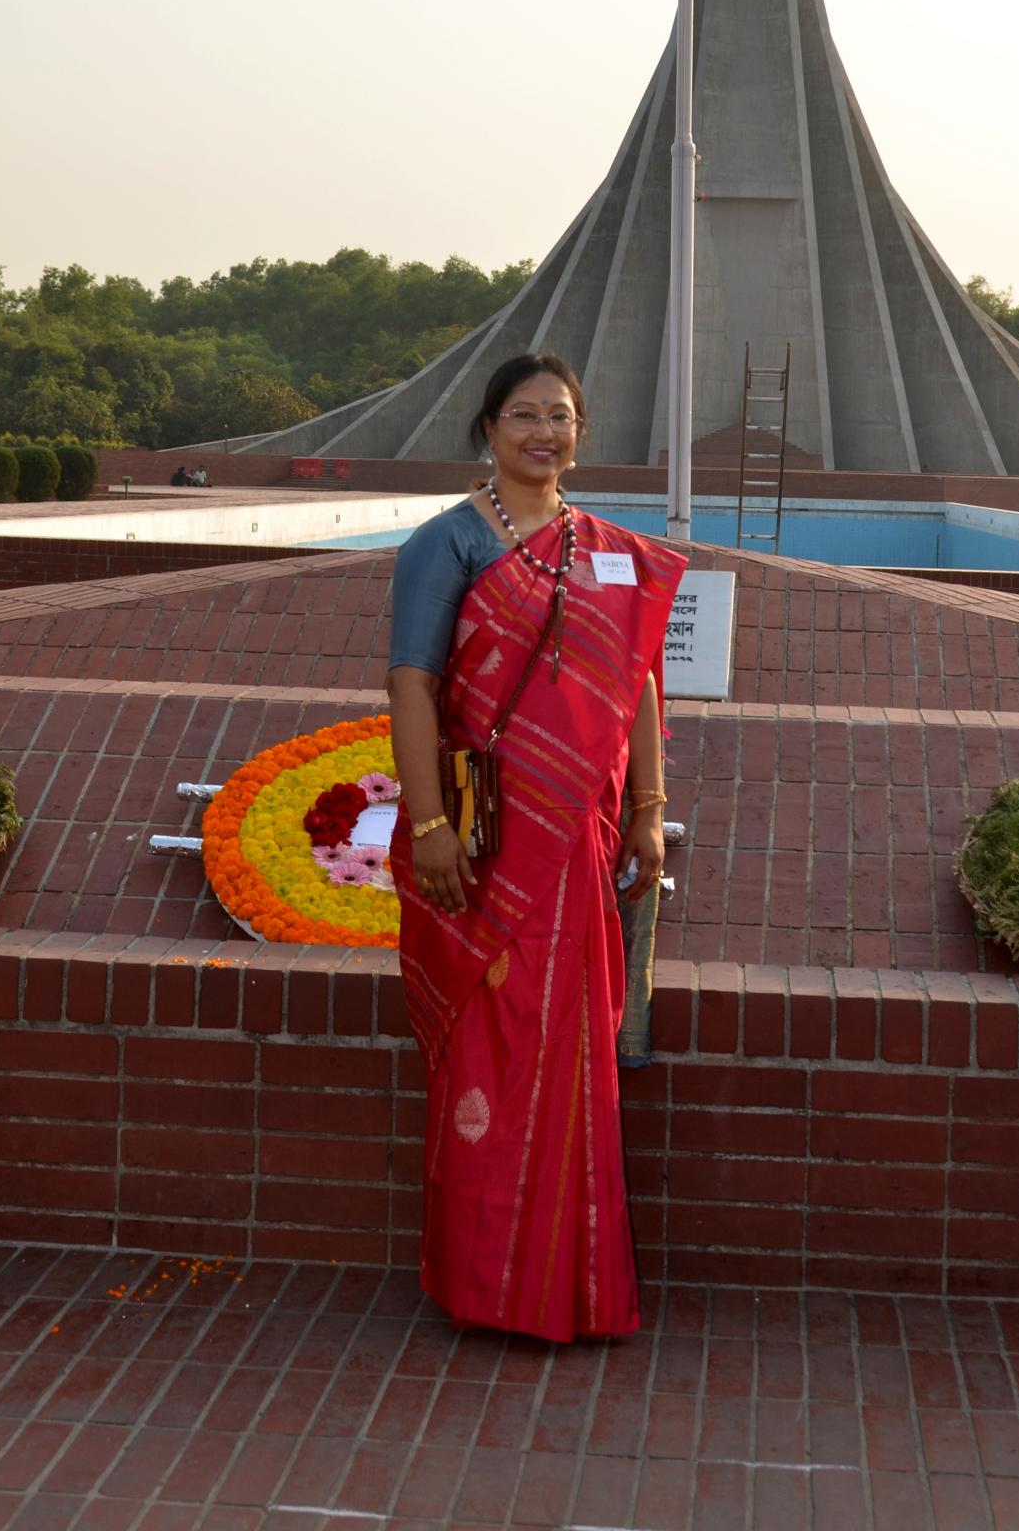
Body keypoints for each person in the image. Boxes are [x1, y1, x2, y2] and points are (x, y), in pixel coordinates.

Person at [387, 351, 684, 1341]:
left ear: (580, 433)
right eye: (523, 415)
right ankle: (485, 1279)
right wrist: (429, 825)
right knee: (494, 1033)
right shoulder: (448, 544)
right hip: (482, 820)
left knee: (573, 1048)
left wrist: (647, 805)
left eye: (560, 416)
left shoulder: (608, 551)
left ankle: (570, 1281)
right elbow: (414, 688)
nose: (543, 432)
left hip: (582, 829)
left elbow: (638, 680)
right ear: (488, 430)